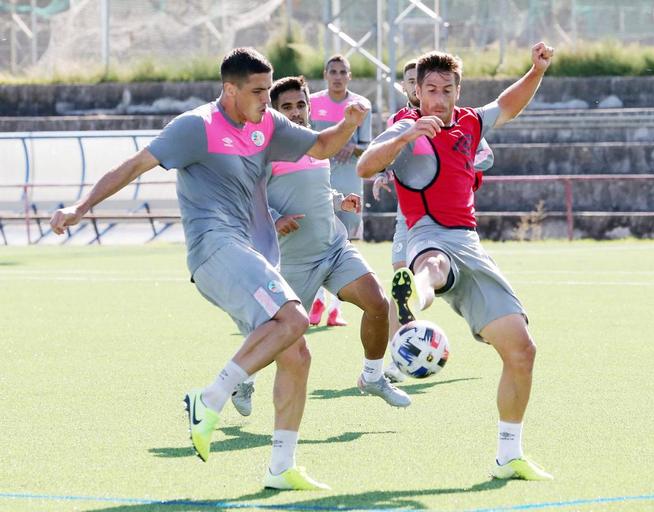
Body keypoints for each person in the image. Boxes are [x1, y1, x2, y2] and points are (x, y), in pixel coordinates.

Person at [49, 47, 369, 491]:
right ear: (229, 89)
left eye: (267, 89)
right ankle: (211, 397)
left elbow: (320, 145)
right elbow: (135, 165)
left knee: (296, 351)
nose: (266, 99)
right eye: (257, 92)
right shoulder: (195, 127)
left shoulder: (268, 124)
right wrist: (81, 206)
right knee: (295, 318)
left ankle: (281, 467)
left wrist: (351, 122)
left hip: (253, 253)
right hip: (214, 249)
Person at [357, 44, 555, 481]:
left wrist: (536, 71)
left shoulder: (469, 122)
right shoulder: (406, 125)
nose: (440, 99)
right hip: (427, 234)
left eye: (448, 89)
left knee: (522, 350)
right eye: (431, 90)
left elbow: (507, 105)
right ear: (418, 93)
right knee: (432, 269)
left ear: (457, 90)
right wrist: (407, 136)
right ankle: (411, 302)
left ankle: (509, 457)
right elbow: (365, 167)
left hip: (471, 243)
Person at [229, 75, 410, 416]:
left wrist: (341, 201)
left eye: (301, 105)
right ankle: (244, 379)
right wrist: (275, 216)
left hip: (333, 249)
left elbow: (317, 191)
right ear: (274, 111)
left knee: (378, 302)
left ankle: (372, 377)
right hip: (292, 262)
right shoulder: (264, 150)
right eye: (287, 107)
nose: (296, 112)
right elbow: (246, 199)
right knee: (278, 338)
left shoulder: (317, 146)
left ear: (310, 107)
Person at [372, 59, 495, 383]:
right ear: (412, 88)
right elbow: (388, 154)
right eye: (417, 84)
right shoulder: (401, 120)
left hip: (453, 219)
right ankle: (400, 356)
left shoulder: (461, 119)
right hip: (410, 217)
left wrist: (468, 170)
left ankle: (484, 323)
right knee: (405, 276)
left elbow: (480, 153)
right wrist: (386, 171)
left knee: (433, 276)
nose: (427, 92)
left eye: (443, 88)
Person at [307, 55, 373, 327]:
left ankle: (336, 308)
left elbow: (368, 146)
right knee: (319, 240)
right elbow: (306, 139)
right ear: (325, 75)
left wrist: (351, 146)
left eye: (342, 71)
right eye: (332, 71)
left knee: (346, 244)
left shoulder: (360, 106)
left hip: (349, 181)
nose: (337, 76)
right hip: (319, 181)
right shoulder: (313, 103)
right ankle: (317, 300)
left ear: (350, 75)